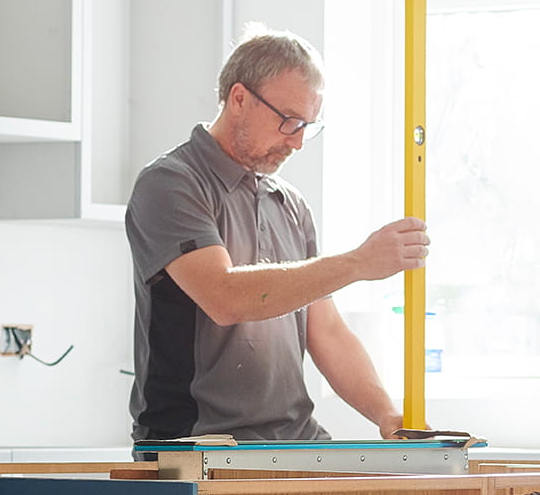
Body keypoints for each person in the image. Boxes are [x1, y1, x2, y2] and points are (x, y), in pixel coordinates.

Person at [126, 25, 429, 442]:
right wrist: (359, 263)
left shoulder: (290, 204)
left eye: (308, 126)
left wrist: (388, 416)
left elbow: (325, 331)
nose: (299, 143)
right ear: (239, 99)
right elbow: (225, 297)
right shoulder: (171, 183)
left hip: (296, 442)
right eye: (289, 121)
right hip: (199, 447)